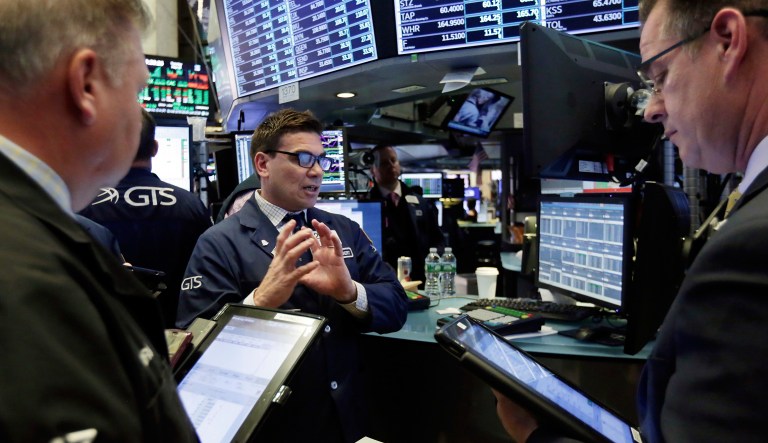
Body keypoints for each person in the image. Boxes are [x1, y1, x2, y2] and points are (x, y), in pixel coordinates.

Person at [495, 1, 768, 442]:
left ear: (728, 41)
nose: (650, 110)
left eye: (661, 77)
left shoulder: (753, 246)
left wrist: (534, 434)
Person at [0, 0, 197, 441]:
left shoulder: (35, 235)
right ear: (86, 84)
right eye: (137, 91)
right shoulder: (33, 283)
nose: (137, 111)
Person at [176, 109, 408, 442]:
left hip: (346, 421)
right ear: (263, 164)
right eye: (303, 158)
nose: (317, 171)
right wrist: (260, 302)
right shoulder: (218, 242)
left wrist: (349, 292)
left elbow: (396, 304)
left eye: (321, 160)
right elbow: (194, 350)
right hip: (273, 426)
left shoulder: (343, 230)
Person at [80, 109, 212, 327]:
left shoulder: (83, 207)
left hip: (112, 331)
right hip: (179, 332)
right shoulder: (191, 206)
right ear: (155, 148)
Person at [365, 144, 445, 283]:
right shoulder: (367, 205)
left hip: (421, 279)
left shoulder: (421, 202)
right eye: (384, 163)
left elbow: (438, 239)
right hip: (383, 280)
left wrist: (433, 264)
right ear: (373, 170)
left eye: (393, 160)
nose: (391, 165)